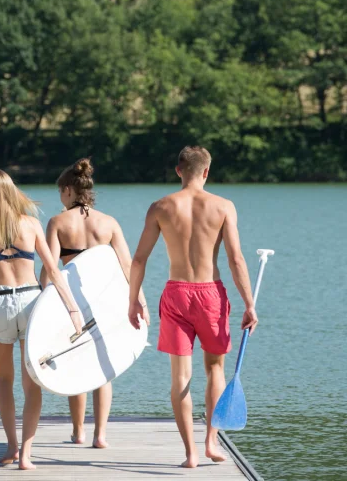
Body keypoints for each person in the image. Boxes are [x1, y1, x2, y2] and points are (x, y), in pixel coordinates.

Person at [128, 146, 258, 469]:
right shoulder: (223, 207)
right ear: (206, 172)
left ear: (178, 171)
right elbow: (235, 259)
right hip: (211, 294)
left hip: (176, 295)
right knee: (215, 369)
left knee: (180, 377)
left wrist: (132, 300)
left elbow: (139, 259)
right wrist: (249, 304)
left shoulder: (160, 207)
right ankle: (211, 441)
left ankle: (190, 453)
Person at [0, 169, 82, 471]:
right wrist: (73, 310)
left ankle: (10, 445)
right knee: (31, 383)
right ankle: (26, 453)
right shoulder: (31, 225)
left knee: (4, 378)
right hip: (30, 303)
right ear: (11, 192)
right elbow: (53, 271)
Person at [44, 158, 150, 449]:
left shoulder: (57, 222)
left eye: (59, 192)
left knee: (74, 362)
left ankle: (78, 432)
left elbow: (50, 270)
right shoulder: (109, 222)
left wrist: (41, 308)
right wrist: (140, 300)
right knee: (103, 365)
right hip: (106, 302)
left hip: (72, 305)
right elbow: (129, 266)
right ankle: (100, 434)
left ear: (68, 190)